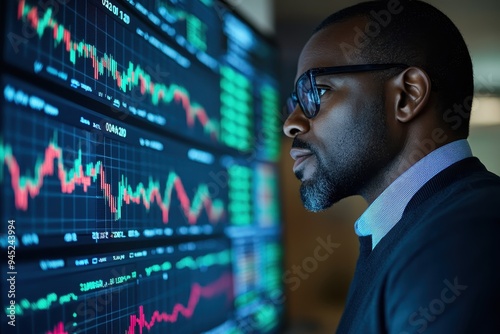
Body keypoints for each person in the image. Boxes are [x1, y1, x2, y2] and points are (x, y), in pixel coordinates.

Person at [282, 0, 500, 332]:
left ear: (408, 96)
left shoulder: (457, 241)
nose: (291, 124)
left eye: (316, 91)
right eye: (294, 102)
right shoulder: (417, 226)